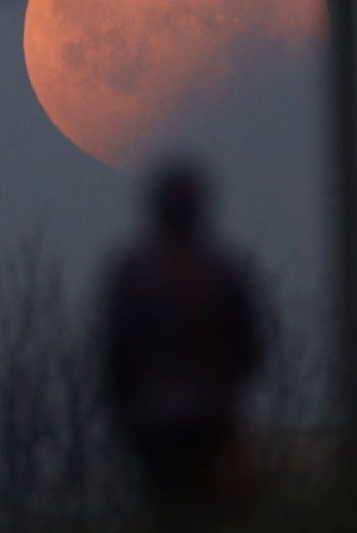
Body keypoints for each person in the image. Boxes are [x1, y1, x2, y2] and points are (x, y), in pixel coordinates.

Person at [101, 160, 263, 528]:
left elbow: (116, 354)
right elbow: (251, 350)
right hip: (210, 419)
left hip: (155, 423)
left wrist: (122, 409)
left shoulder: (133, 275)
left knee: (167, 511)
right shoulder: (223, 272)